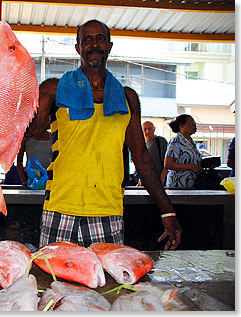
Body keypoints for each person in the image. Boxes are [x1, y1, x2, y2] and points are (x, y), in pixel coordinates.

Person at [25, 19, 182, 251]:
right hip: (60, 208)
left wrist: (167, 210)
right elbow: (28, 131)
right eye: (86, 40)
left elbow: (141, 156)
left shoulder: (127, 97)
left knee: (106, 285)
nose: (94, 44)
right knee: (53, 285)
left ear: (109, 46)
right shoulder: (54, 89)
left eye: (100, 38)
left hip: (108, 211)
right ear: (78, 48)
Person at [17, 79, 56, 187]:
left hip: (50, 179)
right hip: (32, 180)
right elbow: (19, 161)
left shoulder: (52, 136)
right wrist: (24, 181)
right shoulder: (27, 137)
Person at [164, 114, 203, 188]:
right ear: (181, 126)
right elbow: (168, 164)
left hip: (191, 184)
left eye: (194, 124)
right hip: (178, 184)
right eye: (190, 124)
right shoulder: (176, 142)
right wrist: (191, 167)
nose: (194, 126)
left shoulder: (191, 142)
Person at [140, 121, 168, 186]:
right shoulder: (142, 144)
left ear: (154, 129)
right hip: (146, 180)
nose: (147, 131)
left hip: (158, 180)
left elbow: (167, 161)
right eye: (145, 129)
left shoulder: (161, 141)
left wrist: (162, 177)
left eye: (150, 128)